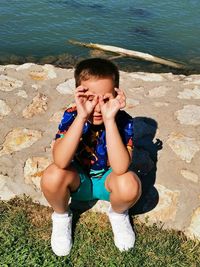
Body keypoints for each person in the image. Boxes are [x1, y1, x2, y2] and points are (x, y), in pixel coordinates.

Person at [41, 58, 142, 256]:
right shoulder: (72, 115)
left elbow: (121, 168)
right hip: (79, 182)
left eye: (105, 99)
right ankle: (61, 216)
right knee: (52, 175)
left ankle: (118, 214)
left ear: (116, 95)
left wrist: (110, 119)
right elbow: (60, 161)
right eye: (90, 98)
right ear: (79, 95)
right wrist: (80, 117)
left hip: (108, 182)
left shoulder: (123, 121)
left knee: (131, 184)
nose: (97, 107)